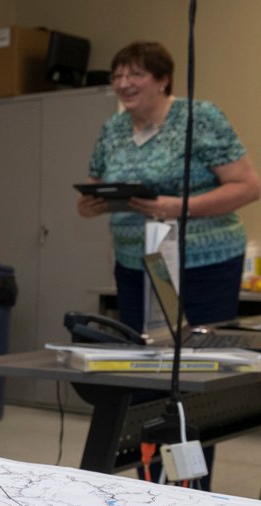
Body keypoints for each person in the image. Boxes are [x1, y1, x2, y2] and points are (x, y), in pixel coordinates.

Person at [77, 40, 259, 335]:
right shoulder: (112, 130)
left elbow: (248, 187)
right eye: (117, 76)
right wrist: (88, 206)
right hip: (135, 264)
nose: (123, 84)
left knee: (197, 352)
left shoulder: (200, 118)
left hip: (202, 262)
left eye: (135, 75)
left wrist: (179, 207)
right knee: (140, 349)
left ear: (163, 80)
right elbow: (94, 185)